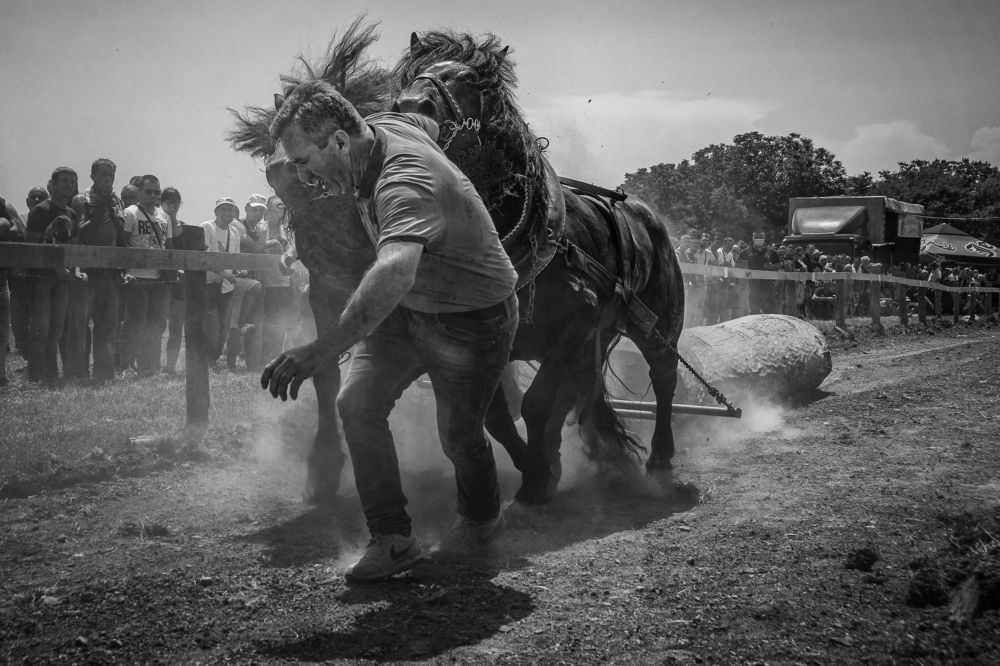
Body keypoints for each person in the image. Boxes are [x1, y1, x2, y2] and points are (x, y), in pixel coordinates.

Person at [265, 80, 518, 582]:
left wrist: (321, 351)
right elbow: (423, 119)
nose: (299, 174)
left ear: (339, 141)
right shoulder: (386, 129)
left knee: (459, 435)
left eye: (301, 160)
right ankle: (394, 538)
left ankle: (482, 519)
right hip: (409, 309)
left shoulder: (401, 180)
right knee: (356, 403)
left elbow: (395, 270)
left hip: (470, 315)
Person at [67, 158, 126, 383]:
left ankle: (104, 374)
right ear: (93, 176)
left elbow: (119, 236)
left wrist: (123, 267)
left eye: (111, 176)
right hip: (87, 269)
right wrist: (100, 204)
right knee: (80, 324)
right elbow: (83, 234)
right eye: (103, 175)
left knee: (107, 324)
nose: (107, 180)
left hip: (109, 270)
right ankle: (77, 373)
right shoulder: (81, 199)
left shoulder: (117, 201)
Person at [24, 167, 80, 384]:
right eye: (64, 180)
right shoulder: (40, 210)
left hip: (63, 279)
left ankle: (52, 374)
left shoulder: (72, 214)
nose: (68, 184)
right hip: (41, 278)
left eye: (72, 181)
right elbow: (30, 246)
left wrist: (73, 271)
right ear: (53, 184)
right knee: (40, 328)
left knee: (56, 328)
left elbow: (73, 247)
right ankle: (37, 376)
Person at [121, 175, 171, 376]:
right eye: (148, 191)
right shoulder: (130, 213)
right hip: (136, 276)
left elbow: (168, 244)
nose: (152, 195)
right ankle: (126, 364)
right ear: (139, 192)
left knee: (156, 324)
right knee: (135, 322)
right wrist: (124, 272)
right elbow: (122, 244)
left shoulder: (163, 216)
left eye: (156, 192)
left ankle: (148, 365)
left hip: (158, 278)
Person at [254, 195, 295, 367]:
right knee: (267, 322)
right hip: (267, 283)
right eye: (277, 205)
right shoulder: (261, 228)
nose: (281, 209)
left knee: (282, 322)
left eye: (282, 206)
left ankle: (277, 357)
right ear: (268, 209)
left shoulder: (287, 230)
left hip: (285, 283)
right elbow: (256, 252)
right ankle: (263, 359)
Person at [201, 198, 241, 363]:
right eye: (223, 209)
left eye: (230, 210)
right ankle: (207, 360)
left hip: (226, 287)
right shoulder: (207, 227)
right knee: (212, 326)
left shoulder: (235, 233)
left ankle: (213, 360)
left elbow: (235, 260)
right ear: (216, 212)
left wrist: (239, 271)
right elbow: (206, 259)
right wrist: (227, 275)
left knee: (224, 328)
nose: (227, 213)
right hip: (208, 285)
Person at [1, 194, 27, 385]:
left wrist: (3, 223)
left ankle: (1, 376)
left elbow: (18, 231)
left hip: (1, 275)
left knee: (2, 330)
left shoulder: (4, 204)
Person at [160, 187, 186, 373]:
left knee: (176, 328)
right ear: (161, 203)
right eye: (168, 199)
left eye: (176, 200)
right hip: (161, 280)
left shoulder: (185, 227)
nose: (172, 203)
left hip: (179, 284)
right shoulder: (159, 224)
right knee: (157, 325)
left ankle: (170, 366)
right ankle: (151, 364)